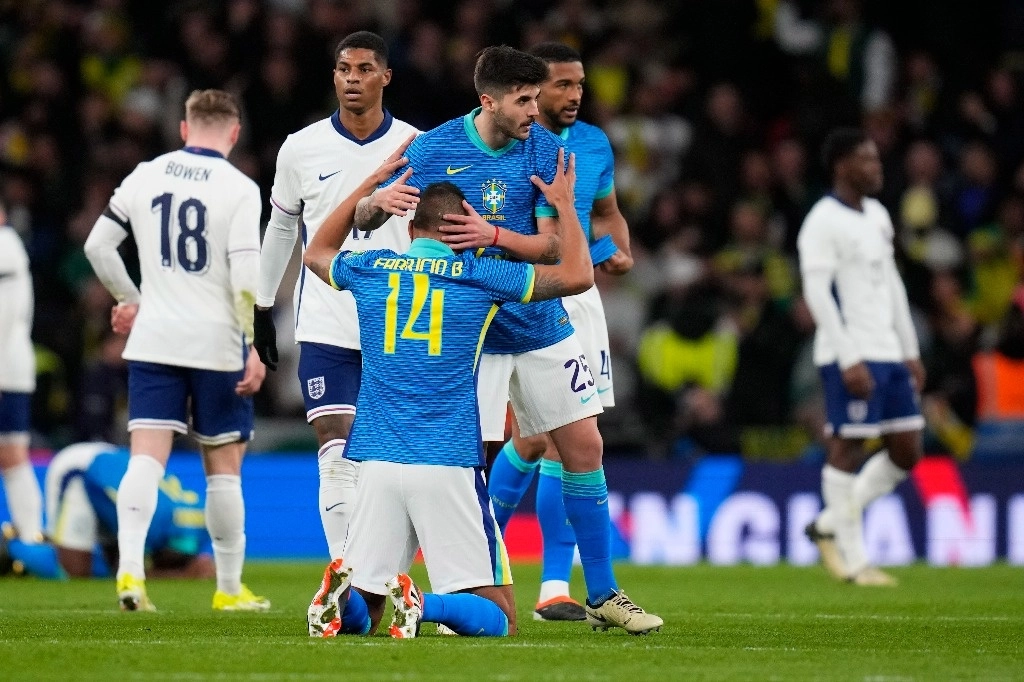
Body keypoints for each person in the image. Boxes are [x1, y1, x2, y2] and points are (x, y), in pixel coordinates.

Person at [353, 45, 661, 634]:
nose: (535, 110)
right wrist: (374, 204)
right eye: (524, 100)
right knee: (466, 459)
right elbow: (369, 215)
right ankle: (451, 589)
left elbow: (554, 249)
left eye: (536, 97)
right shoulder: (434, 147)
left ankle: (602, 593)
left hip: (538, 314)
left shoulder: (545, 150)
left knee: (585, 446)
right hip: (472, 330)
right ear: (488, 100)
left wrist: (491, 233)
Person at [303, 141, 597, 638]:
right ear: (461, 226)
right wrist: (565, 208)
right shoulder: (480, 274)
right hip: (445, 460)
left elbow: (316, 252)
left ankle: (343, 603)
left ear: (411, 228)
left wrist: (371, 186)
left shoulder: (373, 267)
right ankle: (425, 604)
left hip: (375, 460)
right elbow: (578, 276)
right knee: (500, 618)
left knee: (368, 608)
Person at [251, 33, 419, 620]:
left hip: (398, 328)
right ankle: (344, 577)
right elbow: (280, 231)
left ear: (386, 77)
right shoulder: (300, 148)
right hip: (324, 323)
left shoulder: (415, 147)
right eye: (344, 68)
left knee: (392, 465)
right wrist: (261, 306)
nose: (352, 78)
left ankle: (383, 579)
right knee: (336, 452)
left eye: (364, 68)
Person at [83, 89, 269, 611]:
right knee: (224, 464)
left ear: (184, 129)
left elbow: (97, 245)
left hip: (155, 336)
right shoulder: (240, 187)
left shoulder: (146, 174)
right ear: (233, 134)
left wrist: (130, 299)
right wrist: (253, 345)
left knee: (145, 459)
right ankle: (229, 590)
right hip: (215, 340)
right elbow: (246, 276)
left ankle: (129, 575)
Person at [483, 42, 634, 622]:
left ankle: (552, 586)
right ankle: (531, 574)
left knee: (567, 437)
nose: (573, 95)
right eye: (561, 85)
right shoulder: (515, 148)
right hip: (528, 297)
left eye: (579, 84)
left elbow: (609, 212)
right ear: (530, 92)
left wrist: (620, 245)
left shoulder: (594, 143)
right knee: (540, 438)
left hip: (582, 296)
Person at [798, 128, 925, 586]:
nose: (877, 167)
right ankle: (853, 562)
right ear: (841, 167)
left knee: (907, 449)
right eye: (866, 160)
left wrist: (909, 348)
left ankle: (829, 523)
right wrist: (848, 356)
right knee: (848, 446)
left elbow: (891, 283)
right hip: (848, 352)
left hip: (888, 351)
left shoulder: (877, 215)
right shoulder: (822, 221)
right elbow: (817, 291)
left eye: (876, 159)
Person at [1, 442, 214, 581]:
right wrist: (179, 575)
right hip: (81, 470)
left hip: (110, 480)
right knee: (75, 572)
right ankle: (11, 548)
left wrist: (180, 570)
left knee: (115, 559)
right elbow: (137, 570)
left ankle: (24, 551)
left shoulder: (192, 525)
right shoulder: (160, 523)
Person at [0, 205, 44, 546]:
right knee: (12, 453)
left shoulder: (4, 246)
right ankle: (30, 536)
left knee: (12, 454)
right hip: (13, 365)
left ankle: (29, 536)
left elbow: (5, 314)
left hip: (6, 365)